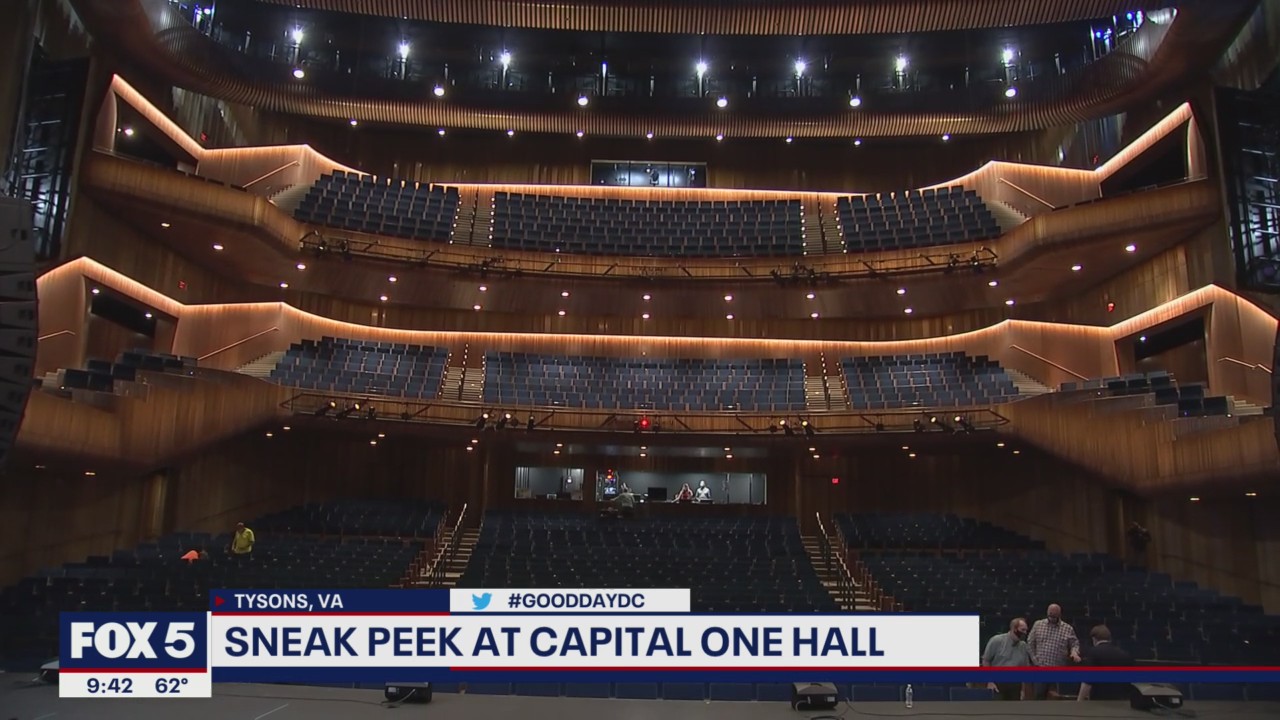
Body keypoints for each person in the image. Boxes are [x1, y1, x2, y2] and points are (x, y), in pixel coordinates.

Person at [1028, 604, 1081, 700]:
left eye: (1054, 616)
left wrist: (1074, 652)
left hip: (1059, 669)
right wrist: (1035, 660)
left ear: (1059, 615)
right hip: (1041, 668)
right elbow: (1030, 643)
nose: (1051, 618)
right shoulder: (1038, 625)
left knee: (1058, 699)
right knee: (1039, 696)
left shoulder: (1067, 628)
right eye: (1050, 615)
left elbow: (1075, 644)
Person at [981, 618, 1033, 700]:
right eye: (1022, 630)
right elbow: (986, 660)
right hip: (997, 683)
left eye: (1026, 630)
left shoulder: (1023, 646)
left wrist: (1023, 690)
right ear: (1014, 629)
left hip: (1015, 685)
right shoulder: (996, 640)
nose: (1025, 633)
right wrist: (989, 682)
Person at [1078, 626, 1134, 701]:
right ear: (1109, 638)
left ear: (1094, 639)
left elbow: (1087, 682)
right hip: (1120, 701)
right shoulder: (1124, 654)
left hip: (1099, 701)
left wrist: (1079, 701)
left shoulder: (1093, 653)